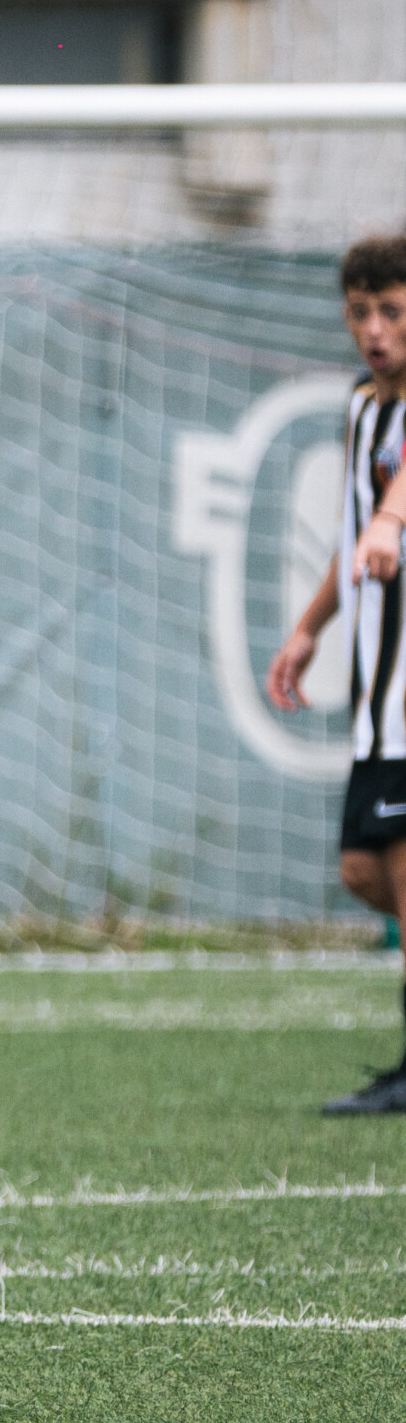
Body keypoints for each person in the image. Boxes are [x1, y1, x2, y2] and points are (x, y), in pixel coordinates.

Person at [268, 231, 406, 1115]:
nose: (374, 330)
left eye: (391, 311)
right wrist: (308, 630)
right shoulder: (362, 410)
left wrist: (393, 519)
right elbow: (354, 535)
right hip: (376, 698)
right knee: (366, 870)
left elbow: (390, 507)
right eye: (359, 313)